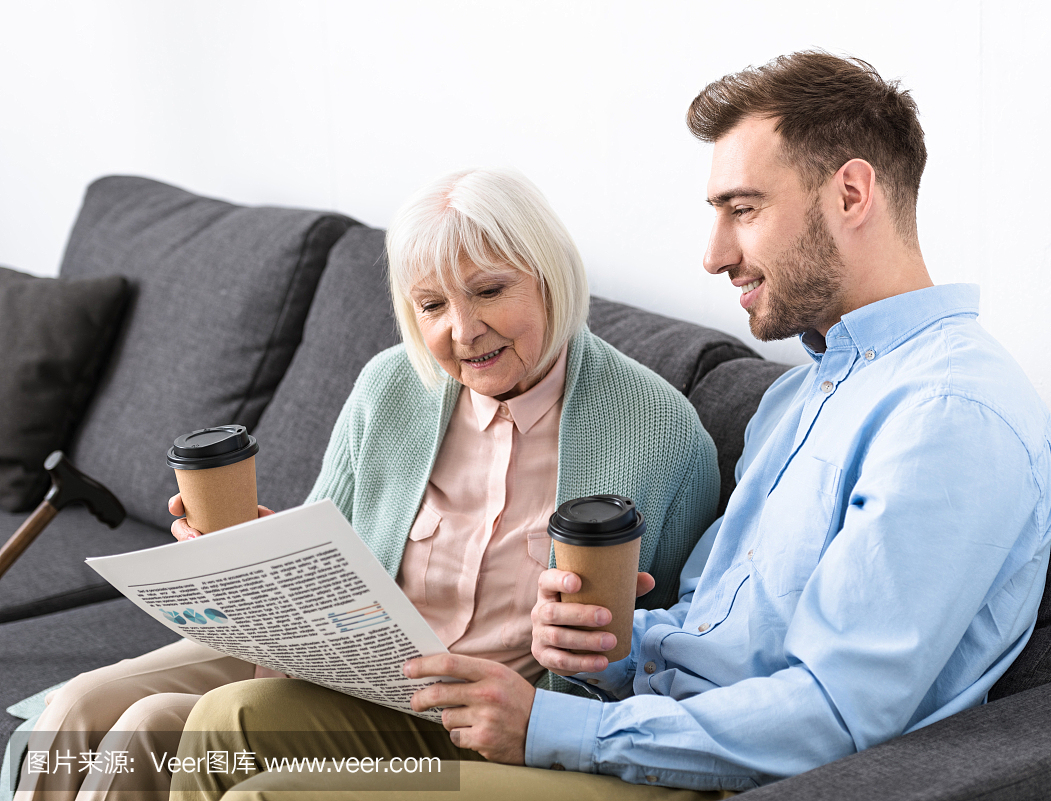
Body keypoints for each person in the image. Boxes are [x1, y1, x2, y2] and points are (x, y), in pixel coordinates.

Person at [170, 52, 1051, 800]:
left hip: (708, 774)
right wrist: (609, 646)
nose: (714, 254)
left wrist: (558, 721)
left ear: (851, 192)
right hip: (635, 718)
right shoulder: (804, 397)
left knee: (268, 791)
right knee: (230, 722)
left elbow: (836, 713)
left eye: (742, 210)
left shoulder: (950, 415)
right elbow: (708, 627)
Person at [13, 168, 719, 800]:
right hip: (350, 657)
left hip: (469, 708)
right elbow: (331, 541)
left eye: (489, 290)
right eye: (431, 305)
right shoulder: (390, 385)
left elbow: (680, 639)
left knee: (162, 725)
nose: (463, 330)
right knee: (80, 706)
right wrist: (245, 553)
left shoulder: (660, 430)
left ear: (551, 275)